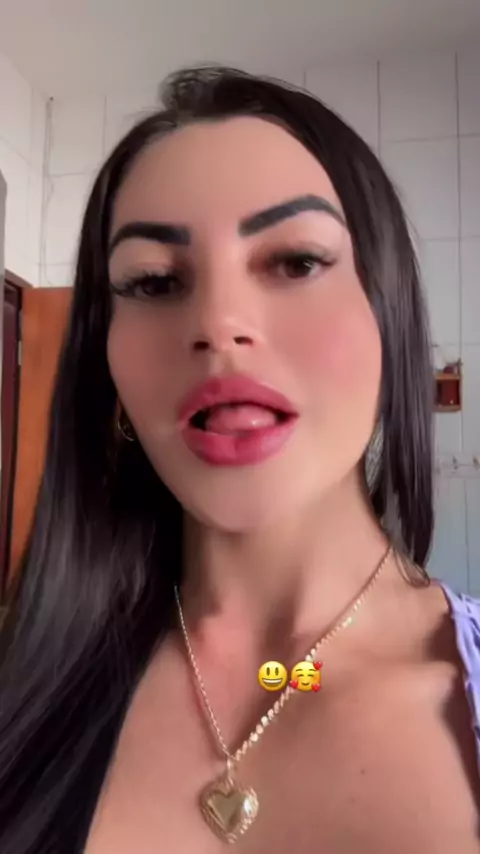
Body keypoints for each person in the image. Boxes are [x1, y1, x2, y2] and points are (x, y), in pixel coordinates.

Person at [0, 65, 479, 854]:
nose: (219, 323)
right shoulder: (28, 685)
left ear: (388, 315)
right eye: (155, 281)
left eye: (296, 262)